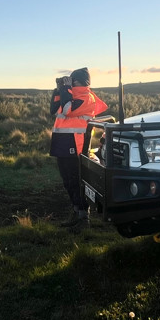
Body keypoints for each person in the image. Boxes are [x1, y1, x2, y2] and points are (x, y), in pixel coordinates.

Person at [49, 67, 108, 232]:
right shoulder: (69, 95)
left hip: (75, 144)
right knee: (68, 181)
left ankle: (84, 218)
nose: (69, 83)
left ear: (78, 82)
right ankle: (76, 213)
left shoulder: (87, 98)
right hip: (62, 143)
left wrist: (66, 90)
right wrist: (59, 89)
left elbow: (68, 111)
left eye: (71, 81)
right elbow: (54, 110)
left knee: (76, 181)